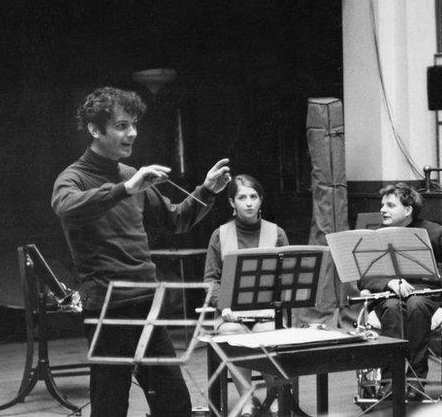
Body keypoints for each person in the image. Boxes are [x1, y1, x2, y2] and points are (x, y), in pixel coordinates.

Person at [52, 86, 231, 417]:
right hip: (108, 307)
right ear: (94, 129)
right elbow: (66, 207)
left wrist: (206, 191)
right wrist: (126, 189)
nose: (131, 133)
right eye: (122, 125)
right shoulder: (74, 177)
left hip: (146, 303)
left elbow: (176, 219)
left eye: (134, 124)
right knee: (110, 407)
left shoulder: (131, 175)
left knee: (174, 403)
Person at [358, 183, 442, 399]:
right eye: (382, 205)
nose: (382, 210)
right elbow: (364, 276)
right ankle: (390, 382)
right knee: (392, 307)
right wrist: (389, 283)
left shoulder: (436, 232)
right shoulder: (376, 235)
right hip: (389, 296)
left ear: (408, 210)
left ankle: (416, 380)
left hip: (425, 295)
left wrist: (432, 278)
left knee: (416, 304)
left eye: (390, 205)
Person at [203, 174, 289, 417]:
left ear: (261, 200)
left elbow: (287, 280)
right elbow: (210, 280)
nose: (249, 203)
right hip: (231, 315)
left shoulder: (277, 233)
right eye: (242, 197)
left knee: (270, 336)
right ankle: (247, 400)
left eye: (254, 196)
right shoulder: (219, 235)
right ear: (232, 202)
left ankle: (275, 399)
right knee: (233, 335)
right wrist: (224, 305)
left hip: (267, 314)